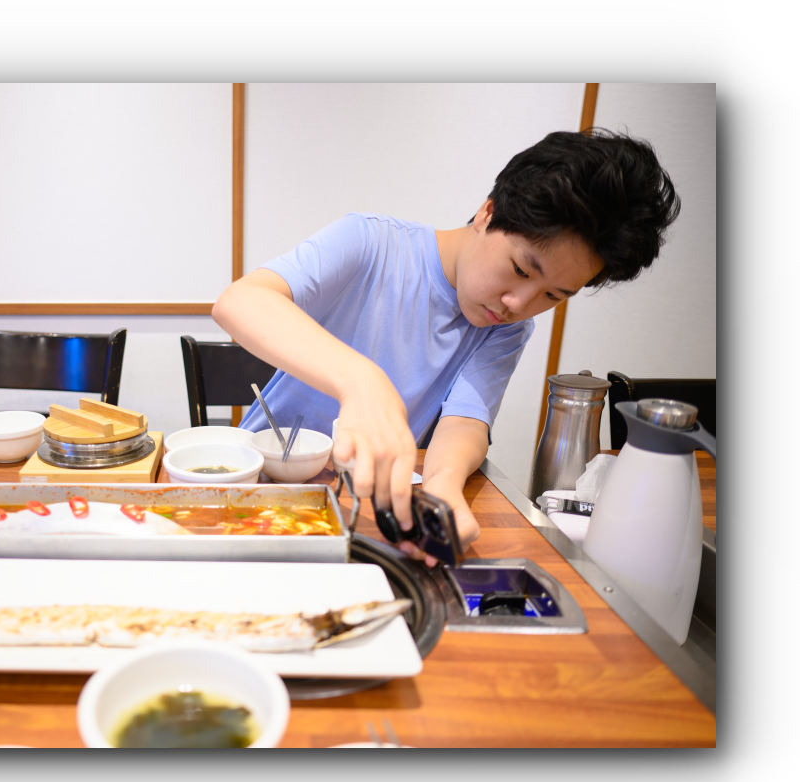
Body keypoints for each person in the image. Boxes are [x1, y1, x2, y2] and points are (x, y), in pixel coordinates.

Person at [212, 129, 680, 562]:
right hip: (255, 486)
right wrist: (363, 382)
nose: (519, 304)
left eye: (553, 296)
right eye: (521, 269)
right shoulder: (370, 244)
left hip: (359, 510)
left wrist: (443, 485)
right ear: (487, 213)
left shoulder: (506, 329)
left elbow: (465, 422)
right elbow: (240, 302)